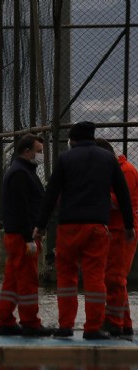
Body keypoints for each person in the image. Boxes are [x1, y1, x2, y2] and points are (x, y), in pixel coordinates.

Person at [33, 121, 135, 340]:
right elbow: (123, 195)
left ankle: (65, 326)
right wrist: (129, 226)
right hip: (97, 228)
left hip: (68, 227)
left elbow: (51, 194)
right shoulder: (108, 159)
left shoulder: (66, 159)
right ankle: (93, 328)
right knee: (95, 278)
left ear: (73, 139)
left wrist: (40, 226)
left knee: (67, 277)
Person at [0, 134, 53, 337]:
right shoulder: (21, 173)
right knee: (28, 281)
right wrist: (29, 239)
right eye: (38, 151)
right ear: (26, 151)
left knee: (12, 281)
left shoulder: (21, 171)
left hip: (17, 235)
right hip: (23, 237)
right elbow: (21, 208)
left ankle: (6, 321)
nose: (41, 156)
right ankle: (30, 322)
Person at [95, 138, 138, 338]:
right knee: (115, 278)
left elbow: (121, 201)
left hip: (124, 230)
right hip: (115, 229)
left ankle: (114, 322)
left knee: (115, 277)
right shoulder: (116, 170)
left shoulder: (126, 171)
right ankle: (123, 323)